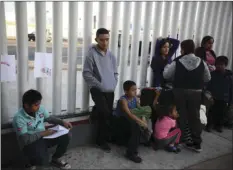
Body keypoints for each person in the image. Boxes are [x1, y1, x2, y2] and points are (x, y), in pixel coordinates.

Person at [163, 39, 211, 152]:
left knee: (182, 116)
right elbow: (207, 78)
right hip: (196, 93)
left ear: (183, 49)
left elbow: (166, 75)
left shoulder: (177, 61)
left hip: (180, 91)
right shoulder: (201, 61)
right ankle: (197, 143)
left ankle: (184, 140)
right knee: (195, 117)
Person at [12, 89, 72, 170]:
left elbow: (49, 118)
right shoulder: (19, 118)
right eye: (36, 105)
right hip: (30, 143)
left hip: (44, 137)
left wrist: (62, 122)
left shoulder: (40, 109)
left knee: (66, 135)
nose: (39, 106)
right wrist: (43, 133)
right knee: (44, 164)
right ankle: (31, 163)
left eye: (39, 104)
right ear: (26, 105)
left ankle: (55, 158)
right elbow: (25, 140)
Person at [82, 28, 118, 152]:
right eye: (102, 40)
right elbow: (86, 74)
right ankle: (100, 141)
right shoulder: (91, 54)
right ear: (96, 39)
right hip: (97, 89)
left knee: (107, 114)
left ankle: (96, 111)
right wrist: (100, 85)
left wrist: (114, 83)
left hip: (110, 89)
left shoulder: (111, 55)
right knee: (105, 113)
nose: (105, 42)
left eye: (107, 39)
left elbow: (115, 72)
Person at [112, 81, 147, 163]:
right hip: (120, 121)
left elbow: (141, 110)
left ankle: (139, 143)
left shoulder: (135, 99)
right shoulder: (123, 100)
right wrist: (140, 122)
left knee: (140, 123)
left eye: (136, 89)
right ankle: (130, 153)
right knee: (136, 126)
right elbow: (129, 114)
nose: (135, 91)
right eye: (132, 90)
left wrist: (144, 119)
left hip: (128, 120)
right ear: (126, 91)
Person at [206, 56, 233, 133]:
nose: (219, 66)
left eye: (221, 64)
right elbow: (208, 86)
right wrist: (208, 96)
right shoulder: (212, 74)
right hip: (212, 97)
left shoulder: (229, 76)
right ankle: (209, 125)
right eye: (217, 64)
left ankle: (219, 126)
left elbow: (231, 89)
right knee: (211, 112)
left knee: (221, 113)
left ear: (225, 65)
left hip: (224, 98)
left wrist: (230, 101)